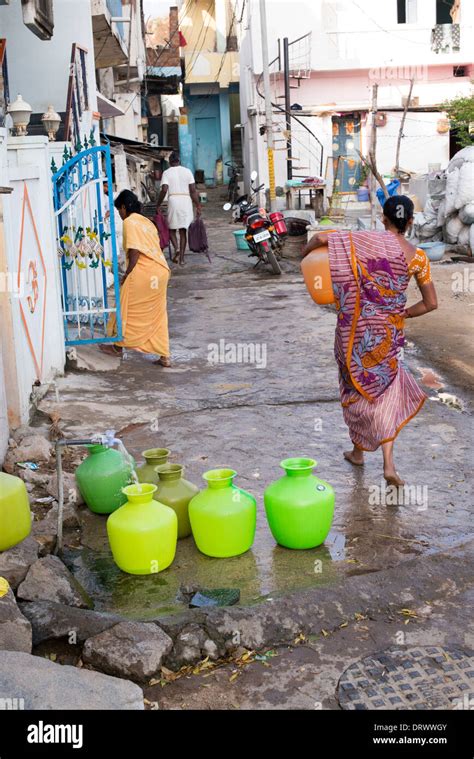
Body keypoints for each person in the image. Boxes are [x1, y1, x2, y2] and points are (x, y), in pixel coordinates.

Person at [302, 195, 438, 486]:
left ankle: (361, 452)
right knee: (385, 393)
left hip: (354, 332)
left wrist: (305, 253)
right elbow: (430, 303)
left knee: (356, 390)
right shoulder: (419, 257)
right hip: (387, 335)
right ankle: (380, 461)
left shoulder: (360, 241)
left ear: (383, 219)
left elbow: (322, 238)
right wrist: (402, 313)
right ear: (411, 222)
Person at [100, 189, 171, 367]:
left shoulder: (130, 222)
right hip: (161, 270)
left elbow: (135, 251)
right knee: (158, 314)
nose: (120, 215)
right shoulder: (146, 222)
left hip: (144, 272)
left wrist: (127, 274)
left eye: (119, 211)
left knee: (125, 306)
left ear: (124, 207)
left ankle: (118, 346)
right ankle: (164, 356)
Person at [156, 151, 201, 265]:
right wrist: (198, 205)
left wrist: (158, 203)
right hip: (185, 201)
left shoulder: (166, 173)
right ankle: (182, 259)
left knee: (171, 229)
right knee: (183, 231)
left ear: (170, 162)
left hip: (173, 201)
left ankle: (176, 248)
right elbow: (193, 190)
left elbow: (164, 189)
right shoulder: (187, 172)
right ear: (179, 161)